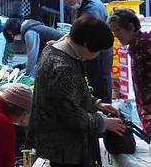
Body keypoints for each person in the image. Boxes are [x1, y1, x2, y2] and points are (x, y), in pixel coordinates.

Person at [27, 15, 125, 167]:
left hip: (55, 143)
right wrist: (104, 123)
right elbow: (71, 115)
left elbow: (67, 96)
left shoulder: (54, 51)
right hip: (63, 149)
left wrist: (96, 104)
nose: (96, 56)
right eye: (98, 51)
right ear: (86, 44)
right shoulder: (62, 67)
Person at [59, 0, 114, 102]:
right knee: (92, 82)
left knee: (100, 84)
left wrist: (58, 44)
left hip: (99, 52)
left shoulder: (92, 9)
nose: (68, 4)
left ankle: (105, 110)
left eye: (69, 1)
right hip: (90, 49)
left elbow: (79, 30)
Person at [108, 8, 151, 134]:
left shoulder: (144, 43)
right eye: (113, 31)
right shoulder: (136, 45)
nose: (115, 35)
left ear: (131, 27)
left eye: (117, 30)